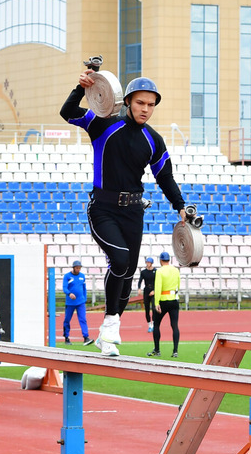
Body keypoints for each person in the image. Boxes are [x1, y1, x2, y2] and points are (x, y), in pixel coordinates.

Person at [61, 73, 187, 358]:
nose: (145, 109)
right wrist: (80, 88)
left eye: (151, 105)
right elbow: (67, 112)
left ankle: (108, 331)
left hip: (133, 211)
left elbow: (165, 178)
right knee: (119, 259)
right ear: (127, 101)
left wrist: (180, 205)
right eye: (140, 102)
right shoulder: (102, 122)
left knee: (128, 273)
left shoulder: (153, 140)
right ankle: (110, 322)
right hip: (102, 209)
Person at [148, 251, 181, 358]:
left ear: (161, 260)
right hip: (174, 300)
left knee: (156, 325)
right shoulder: (176, 270)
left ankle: (157, 350)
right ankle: (175, 351)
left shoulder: (160, 271)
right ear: (169, 260)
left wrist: (156, 302)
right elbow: (178, 284)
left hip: (162, 300)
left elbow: (158, 287)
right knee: (174, 325)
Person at [62, 260, 90, 345]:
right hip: (70, 303)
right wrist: (69, 293)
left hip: (80, 302)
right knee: (67, 319)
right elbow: (64, 287)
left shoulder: (82, 276)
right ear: (73, 268)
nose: (78, 269)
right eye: (77, 268)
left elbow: (84, 288)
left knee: (83, 319)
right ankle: (66, 337)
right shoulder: (67, 276)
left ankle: (86, 337)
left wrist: (84, 298)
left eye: (79, 268)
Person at [139, 256, 157, 333]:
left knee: (153, 308)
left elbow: (158, 282)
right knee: (147, 309)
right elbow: (140, 280)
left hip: (153, 290)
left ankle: (153, 324)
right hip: (146, 290)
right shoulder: (143, 272)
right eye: (147, 262)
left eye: (149, 262)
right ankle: (149, 325)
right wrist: (139, 288)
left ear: (152, 263)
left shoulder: (156, 271)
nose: (148, 264)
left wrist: (155, 290)